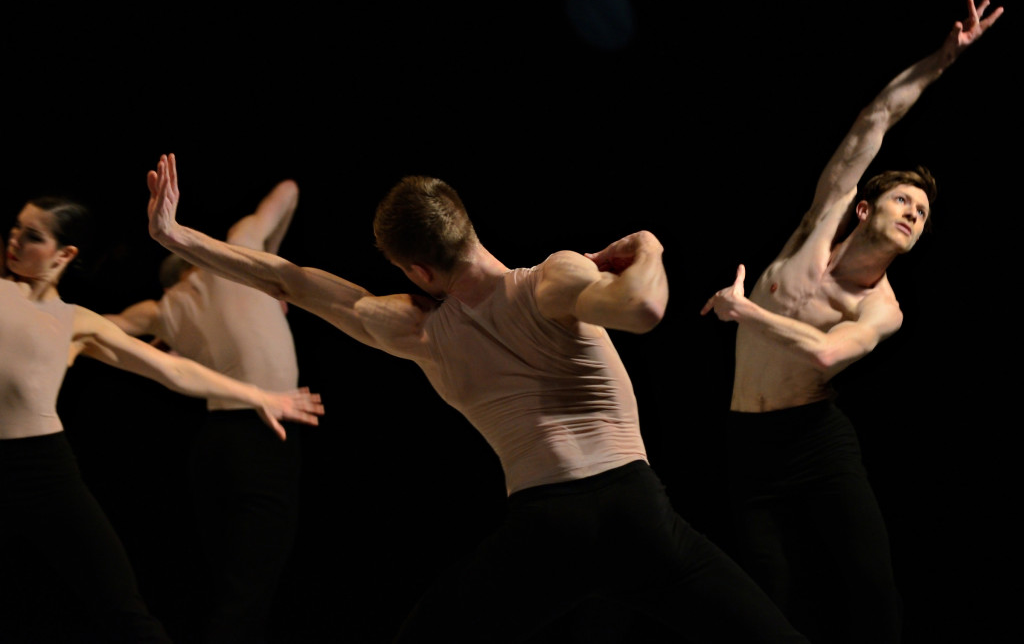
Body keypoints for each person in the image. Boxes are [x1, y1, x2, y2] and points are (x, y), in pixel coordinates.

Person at [145, 155, 810, 643]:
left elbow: (294, 278)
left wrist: (180, 238)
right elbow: (645, 305)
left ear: (416, 270)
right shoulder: (551, 278)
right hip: (637, 511)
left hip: (547, 526)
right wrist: (648, 244)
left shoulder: (417, 330)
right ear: (465, 221)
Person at [700, 0, 1003, 643]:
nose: (915, 214)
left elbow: (828, 355)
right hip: (746, 443)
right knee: (766, 592)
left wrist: (743, 308)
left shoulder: (882, 306)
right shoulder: (823, 219)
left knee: (872, 585)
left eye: (923, 214)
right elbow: (878, 117)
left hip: (816, 443)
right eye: (903, 199)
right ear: (866, 208)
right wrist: (941, 63)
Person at [1, 195, 323, 643]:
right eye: (15, 229)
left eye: (32, 235)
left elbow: (172, 369)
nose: (14, 240)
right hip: (26, 461)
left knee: (123, 608)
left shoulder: (79, 320)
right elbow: (286, 191)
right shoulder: (2, 292)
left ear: (64, 254)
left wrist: (257, 393)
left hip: (42, 468)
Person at [105, 180, 304, 643]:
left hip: (214, 446)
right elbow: (288, 190)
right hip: (266, 434)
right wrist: (276, 274)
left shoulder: (163, 308)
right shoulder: (240, 250)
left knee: (222, 589)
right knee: (249, 594)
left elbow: (105, 328)